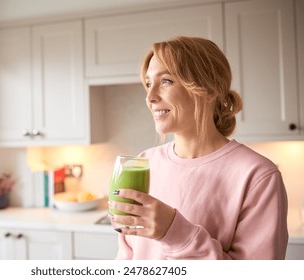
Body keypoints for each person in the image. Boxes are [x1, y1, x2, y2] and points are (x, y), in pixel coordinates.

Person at [108, 36, 289, 260]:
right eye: (148, 83)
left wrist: (173, 232)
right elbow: (127, 258)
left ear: (208, 88)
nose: (150, 96)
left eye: (166, 81)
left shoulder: (258, 176)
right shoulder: (143, 162)